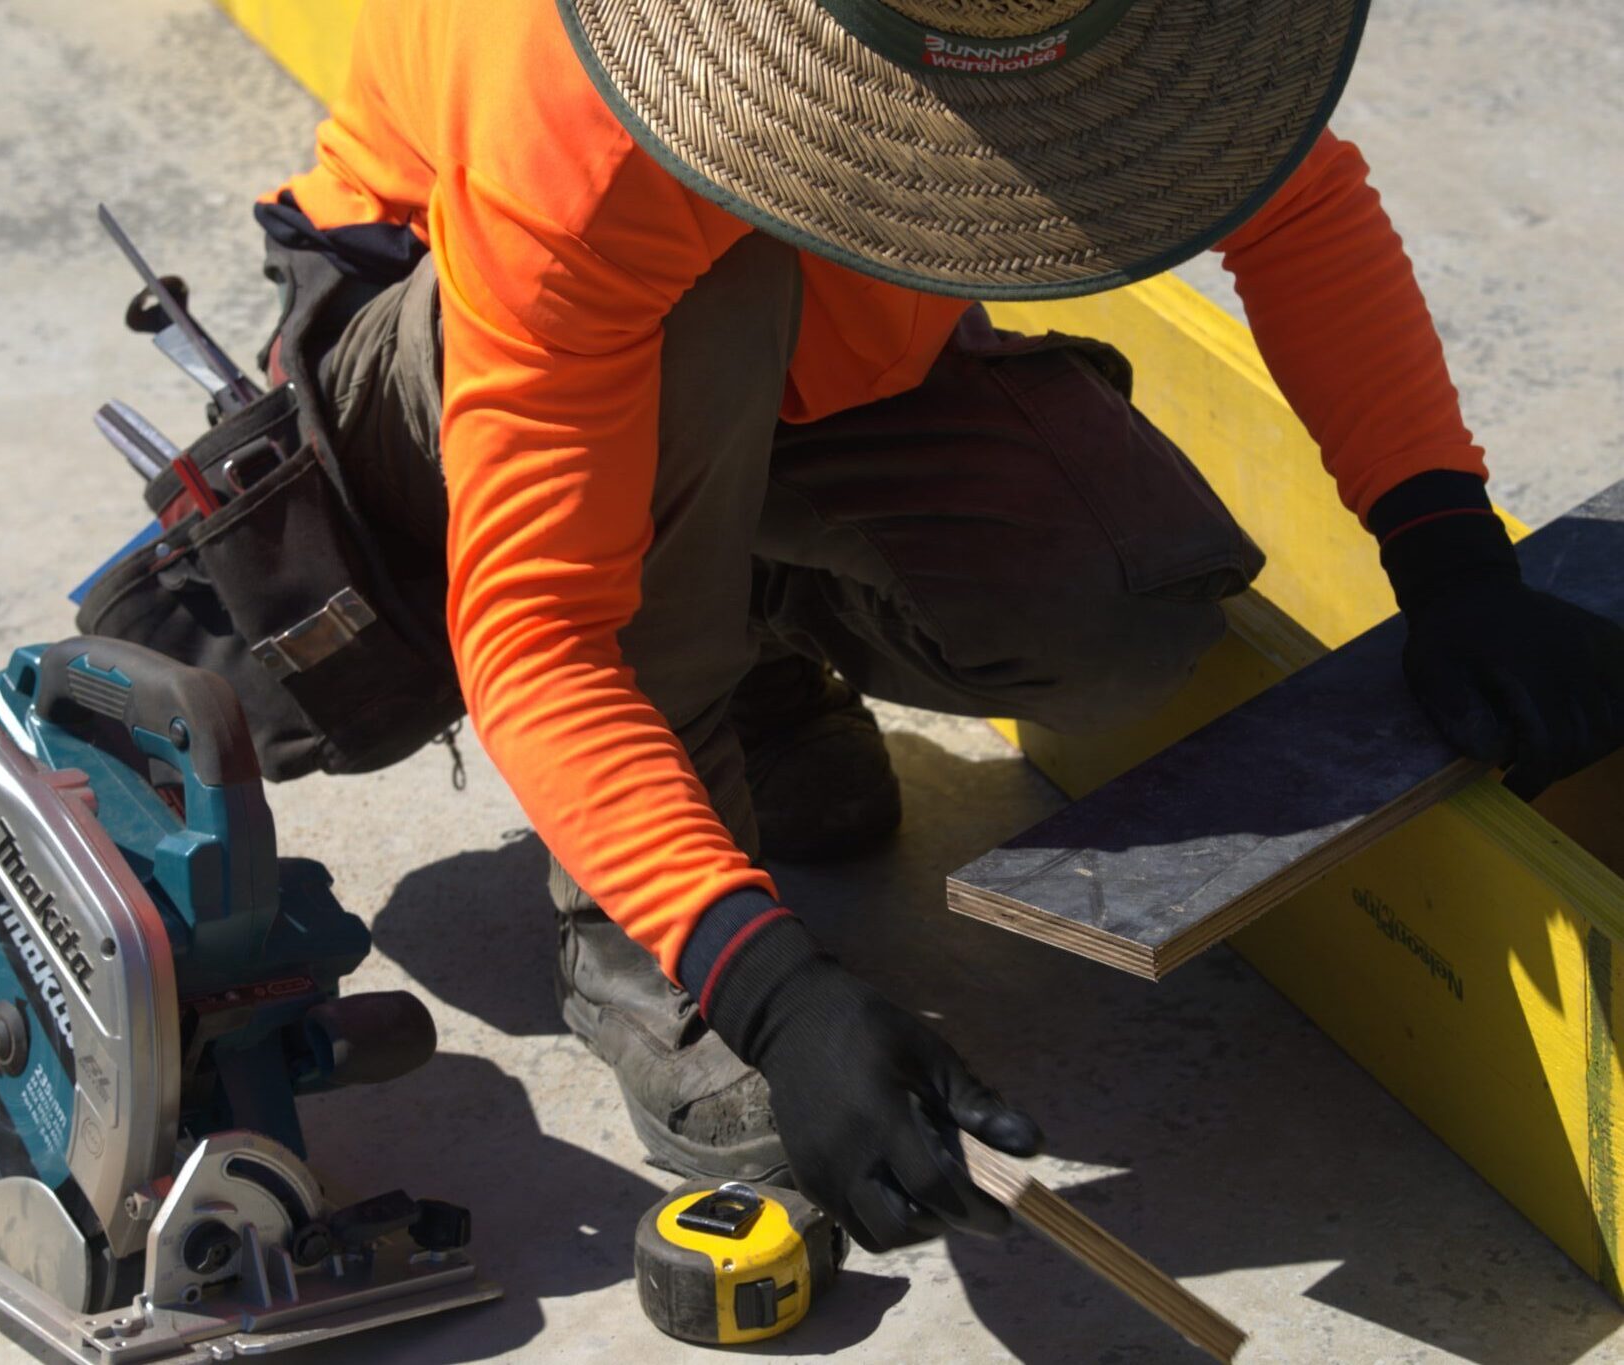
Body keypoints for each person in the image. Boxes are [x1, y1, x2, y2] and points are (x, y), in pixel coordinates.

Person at [252, 0, 1624, 1254]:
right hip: (441, 346)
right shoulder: (596, 113)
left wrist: (1449, 555)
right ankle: (626, 924)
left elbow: (1295, 206)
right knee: (706, 306)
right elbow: (540, 631)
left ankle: (746, 639)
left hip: (793, 324)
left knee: (1116, 607)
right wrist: (760, 977)